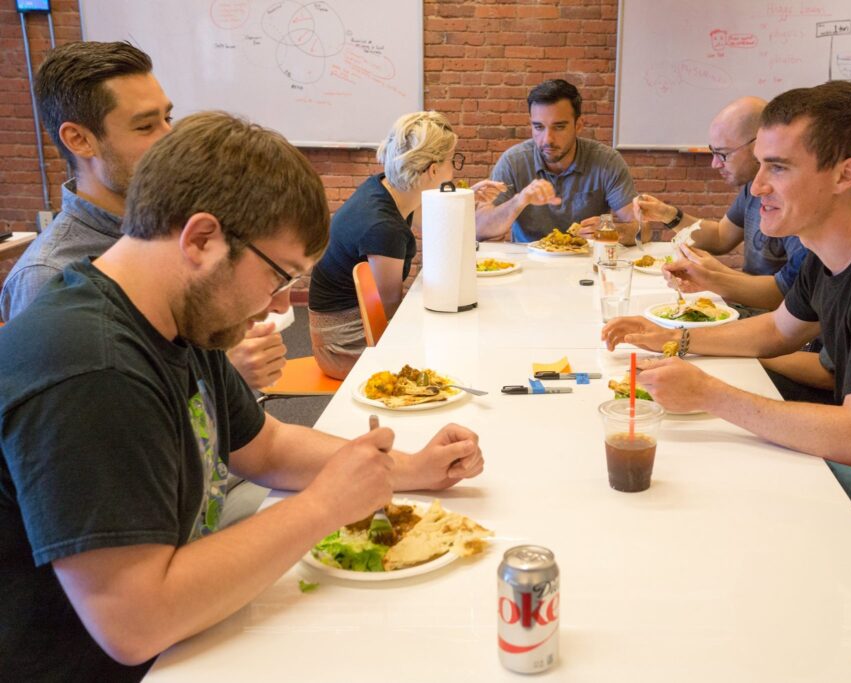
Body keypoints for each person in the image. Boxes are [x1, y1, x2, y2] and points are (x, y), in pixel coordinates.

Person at [0, 111, 485, 681]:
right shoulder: (90, 365)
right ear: (202, 239)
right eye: (280, 277)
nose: (282, 306)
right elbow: (135, 623)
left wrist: (410, 468)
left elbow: (267, 447)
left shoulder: (179, 315)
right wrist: (324, 505)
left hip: (187, 632)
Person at [602, 81, 851, 586]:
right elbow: (774, 330)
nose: (756, 187)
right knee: (707, 467)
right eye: (762, 164)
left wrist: (708, 392)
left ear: (845, 174)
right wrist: (667, 337)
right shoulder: (827, 251)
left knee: (704, 503)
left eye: (779, 167)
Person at [0, 41, 286, 390]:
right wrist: (225, 375)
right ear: (79, 140)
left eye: (167, 118)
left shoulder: (175, 227)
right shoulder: (47, 275)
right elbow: (84, 422)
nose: (171, 140)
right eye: (145, 127)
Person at [634, 95, 851, 312]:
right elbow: (783, 332)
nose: (758, 186)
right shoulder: (774, 194)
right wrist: (668, 215)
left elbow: (788, 311)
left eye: (778, 166)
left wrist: (715, 278)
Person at [308, 111, 503, 380]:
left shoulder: (388, 188)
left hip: (351, 328)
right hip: (344, 344)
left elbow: (432, 223)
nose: (454, 169)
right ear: (433, 170)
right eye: (453, 161)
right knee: (456, 352)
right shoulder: (384, 228)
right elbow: (388, 316)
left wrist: (466, 196)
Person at [476, 78, 638, 243]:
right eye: (539, 127)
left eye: (559, 127)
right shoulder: (513, 161)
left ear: (579, 125)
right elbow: (479, 229)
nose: (547, 139)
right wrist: (519, 200)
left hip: (587, 264)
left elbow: (643, 229)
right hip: (529, 265)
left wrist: (611, 231)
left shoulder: (607, 162)